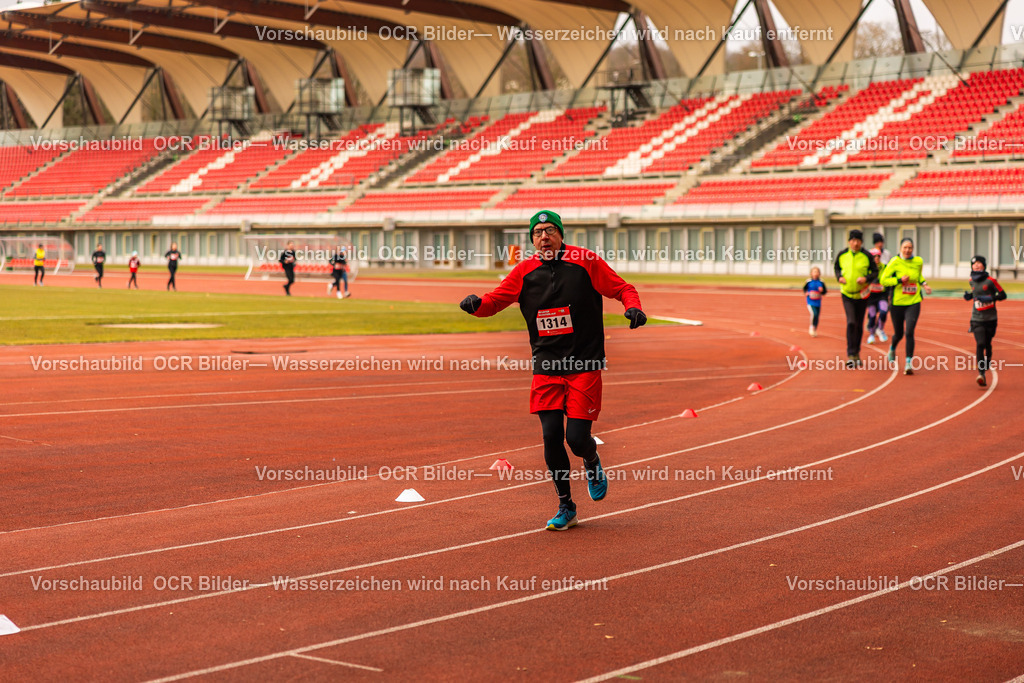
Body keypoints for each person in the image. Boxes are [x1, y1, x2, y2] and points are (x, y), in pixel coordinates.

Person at [459, 210, 646, 531]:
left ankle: (590, 460)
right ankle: (566, 505)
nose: (543, 237)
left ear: (561, 234)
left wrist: (634, 306)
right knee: (549, 437)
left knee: (576, 438)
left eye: (549, 231)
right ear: (532, 239)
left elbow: (622, 287)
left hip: (583, 363)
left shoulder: (585, 261)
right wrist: (476, 305)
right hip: (546, 364)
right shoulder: (524, 271)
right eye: (537, 233)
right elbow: (494, 301)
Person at [880, 238, 932, 375]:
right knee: (899, 333)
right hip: (897, 303)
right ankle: (892, 347)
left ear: (913, 249)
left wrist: (925, 284)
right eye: (905, 247)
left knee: (909, 331)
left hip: (914, 301)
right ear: (900, 248)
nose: (907, 250)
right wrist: (898, 280)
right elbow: (883, 280)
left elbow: (919, 276)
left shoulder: (918, 261)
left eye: (910, 248)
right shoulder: (894, 262)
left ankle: (908, 362)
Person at [833, 229, 878, 367]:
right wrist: (839, 277)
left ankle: (857, 353)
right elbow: (836, 268)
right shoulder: (842, 255)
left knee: (859, 324)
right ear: (849, 242)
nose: (855, 243)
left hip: (862, 294)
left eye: (858, 240)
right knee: (851, 322)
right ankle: (850, 354)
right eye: (853, 240)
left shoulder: (867, 256)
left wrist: (866, 278)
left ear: (861, 242)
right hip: (847, 294)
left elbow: (875, 271)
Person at [963, 255, 1006, 387]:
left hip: (991, 319)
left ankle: (987, 361)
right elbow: (974, 295)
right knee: (980, 343)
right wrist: (969, 296)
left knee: (987, 344)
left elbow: (1003, 295)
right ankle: (981, 374)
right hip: (976, 319)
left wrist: (991, 298)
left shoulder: (991, 280)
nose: (976, 265)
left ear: (984, 265)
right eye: (974, 264)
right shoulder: (971, 280)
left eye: (979, 263)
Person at [871, 233, 891, 342]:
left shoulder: (887, 253)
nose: (880, 244)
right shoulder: (870, 253)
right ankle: (872, 327)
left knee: (883, 309)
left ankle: (879, 328)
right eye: (878, 242)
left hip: (883, 285)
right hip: (873, 287)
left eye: (881, 241)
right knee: (872, 312)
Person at [865, 249, 888, 344]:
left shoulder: (885, 267)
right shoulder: (867, 268)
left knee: (884, 311)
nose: (877, 258)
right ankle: (871, 335)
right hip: (871, 297)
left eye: (878, 256)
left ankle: (880, 329)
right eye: (874, 256)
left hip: (882, 295)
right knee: (872, 316)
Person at [802, 266, 827, 337]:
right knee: (814, 314)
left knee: (817, 316)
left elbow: (824, 292)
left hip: (818, 302)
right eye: (814, 272)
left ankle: (814, 328)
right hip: (810, 301)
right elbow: (804, 289)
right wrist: (806, 293)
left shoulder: (821, 282)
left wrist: (822, 291)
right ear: (811, 273)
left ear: (819, 273)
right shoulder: (808, 281)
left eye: (817, 272)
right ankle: (811, 327)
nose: (816, 273)